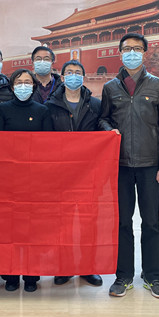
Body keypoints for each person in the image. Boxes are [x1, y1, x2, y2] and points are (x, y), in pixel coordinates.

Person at [99, 34, 159, 299]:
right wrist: (109, 129)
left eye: (137, 49)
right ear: (120, 53)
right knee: (122, 223)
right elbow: (103, 119)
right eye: (127, 49)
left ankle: (153, 276)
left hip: (151, 166)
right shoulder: (110, 87)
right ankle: (123, 276)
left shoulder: (158, 86)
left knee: (151, 222)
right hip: (120, 165)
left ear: (144, 53)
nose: (132, 53)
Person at [45, 60, 103, 288]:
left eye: (78, 72)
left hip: (89, 172)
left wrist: (110, 132)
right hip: (60, 174)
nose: (73, 76)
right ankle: (65, 266)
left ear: (83, 76)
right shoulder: (51, 106)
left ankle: (88, 267)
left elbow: (103, 125)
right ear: (62, 77)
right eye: (69, 72)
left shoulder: (95, 104)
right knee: (63, 222)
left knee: (88, 221)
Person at [0, 69, 54, 292]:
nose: (23, 86)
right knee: (9, 227)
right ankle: (10, 275)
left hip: (34, 179)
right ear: (11, 86)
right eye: (19, 82)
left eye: (28, 82)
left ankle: (31, 275)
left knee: (33, 228)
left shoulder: (42, 110)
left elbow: (48, 145)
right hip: (8, 178)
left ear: (34, 86)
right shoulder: (2, 109)